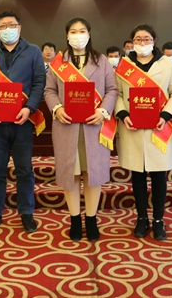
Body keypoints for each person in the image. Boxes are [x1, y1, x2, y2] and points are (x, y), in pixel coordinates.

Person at [44, 18, 118, 241]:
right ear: (67, 36)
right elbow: (49, 90)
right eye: (73, 32)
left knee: (92, 174)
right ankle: (75, 219)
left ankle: (91, 219)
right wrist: (57, 108)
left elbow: (112, 89)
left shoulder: (101, 60)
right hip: (66, 126)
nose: (78, 35)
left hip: (94, 127)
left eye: (82, 31)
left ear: (89, 34)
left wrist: (103, 111)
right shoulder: (58, 62)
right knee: (72, 174)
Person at [0, 11, 46, 234]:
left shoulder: (33, 51)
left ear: (20, 27)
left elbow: (39, 82)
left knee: (24, 170)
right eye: (3, 26)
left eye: (12, 25)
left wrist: (29, 107)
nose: (8, 29)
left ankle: (26, 212)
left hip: (22, 121)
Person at [115, 24, 172, 240]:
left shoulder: (166, 64)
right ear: (132, 42)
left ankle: (158, 219)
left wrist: (165, 115)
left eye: (146, 39)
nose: (142, 43)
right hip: (132, 128)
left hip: (159, 127)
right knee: (137, 174)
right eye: (138, 39)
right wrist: (123, 113)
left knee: (158, 175)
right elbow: (117, 94)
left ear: (154, 41)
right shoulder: (124, 65)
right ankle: (142, 218)